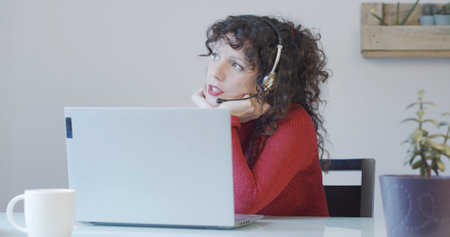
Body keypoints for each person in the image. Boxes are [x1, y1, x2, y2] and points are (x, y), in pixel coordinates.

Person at [191, 15, 329, 216]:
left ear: (269, 81)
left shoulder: (293, 122)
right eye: (215, 56)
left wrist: (221, 122)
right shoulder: (223, 116)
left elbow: (244, 205)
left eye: (236, 65)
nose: (215, 73)